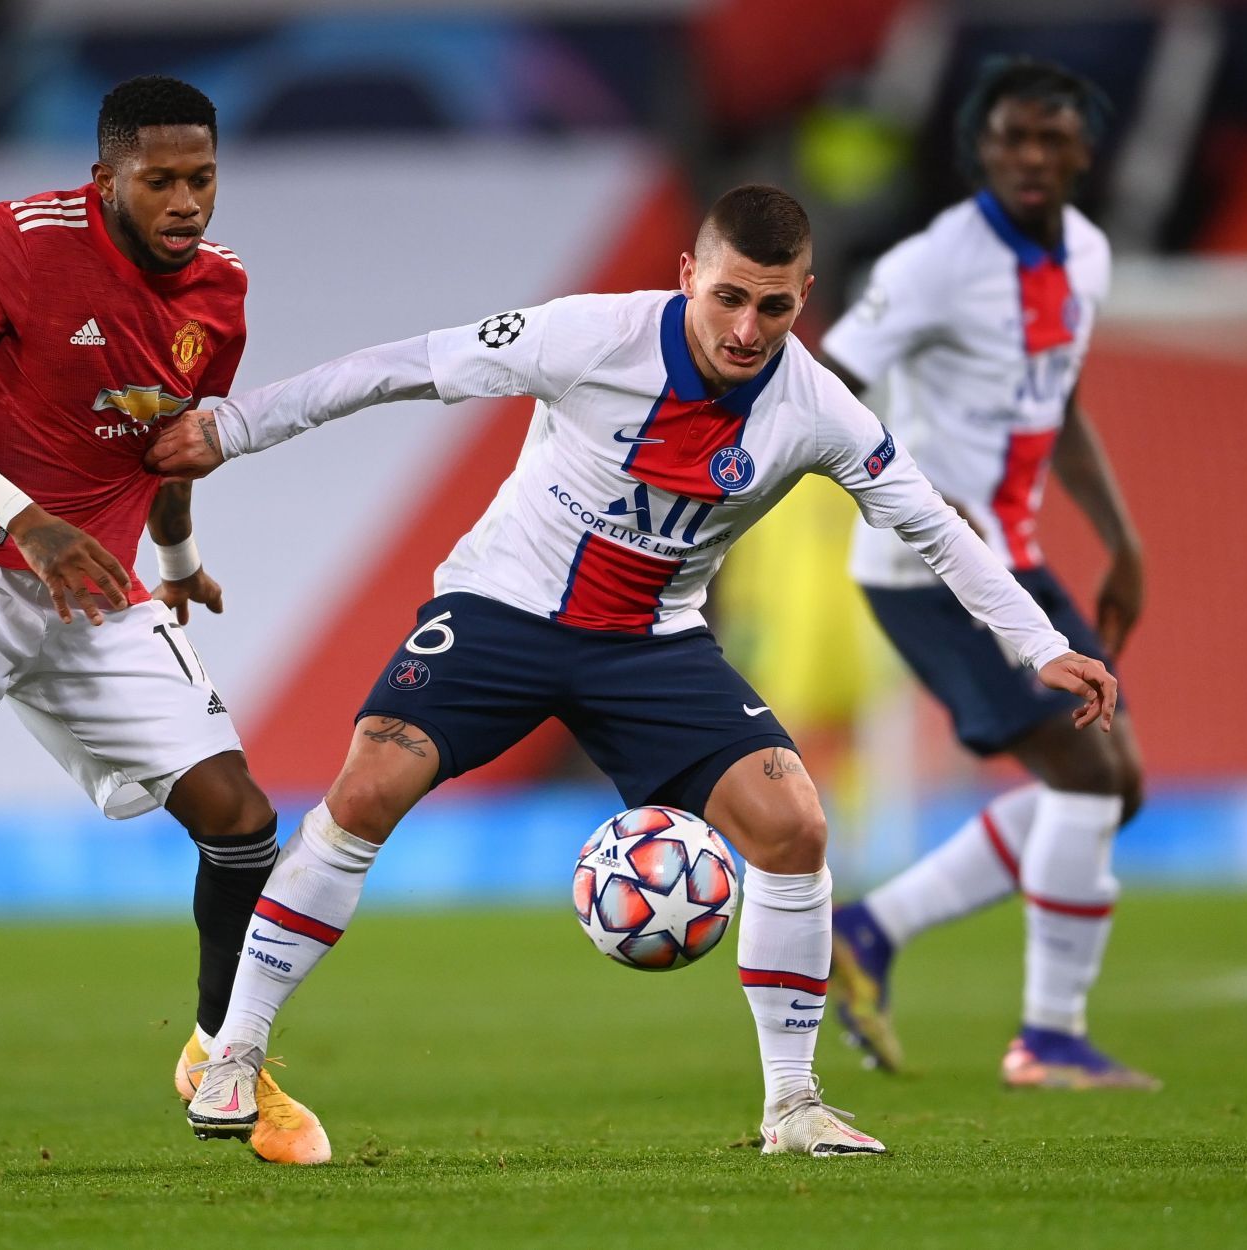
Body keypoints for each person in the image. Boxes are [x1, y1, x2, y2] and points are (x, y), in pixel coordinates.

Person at [143, 183, 1120, 1156]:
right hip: (504, 608)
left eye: (774, 306)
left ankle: (794, 1105)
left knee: (794, 826)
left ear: (804, 298)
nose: (746, 328)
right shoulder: (587, 337)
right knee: (366, 786)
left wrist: (1043, 645)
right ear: (689, 275)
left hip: (652, 642)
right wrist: (236, 427)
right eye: (729, 297)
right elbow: (401, 367)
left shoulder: (817, 406)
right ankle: (234, 1051)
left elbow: (932, 526)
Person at [0, 74, 328, 1178]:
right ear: (105, 178)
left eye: (203, 177)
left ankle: (217, 1053)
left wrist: (180, 558)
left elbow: (165, 441)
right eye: (162, 179)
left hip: (94, 582)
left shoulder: (220, 296)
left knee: (243, 818)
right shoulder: (12, 240)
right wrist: (28, 519)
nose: (188, 200)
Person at [818, 57, 1156, 1090]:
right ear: (981, 149)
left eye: (1051, 139)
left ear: (1083, 154)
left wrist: (1124, 539)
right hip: (927, 568)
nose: (1030, 156)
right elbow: (825, 382)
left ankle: (872, 930)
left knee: (1117, 783)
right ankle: (1047, 1038)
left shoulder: (1085, 256)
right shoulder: (930, 264)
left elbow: (1063, 398)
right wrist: (909, 490)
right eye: (1011, 138)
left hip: (1017, 557)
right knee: (1088, 777)